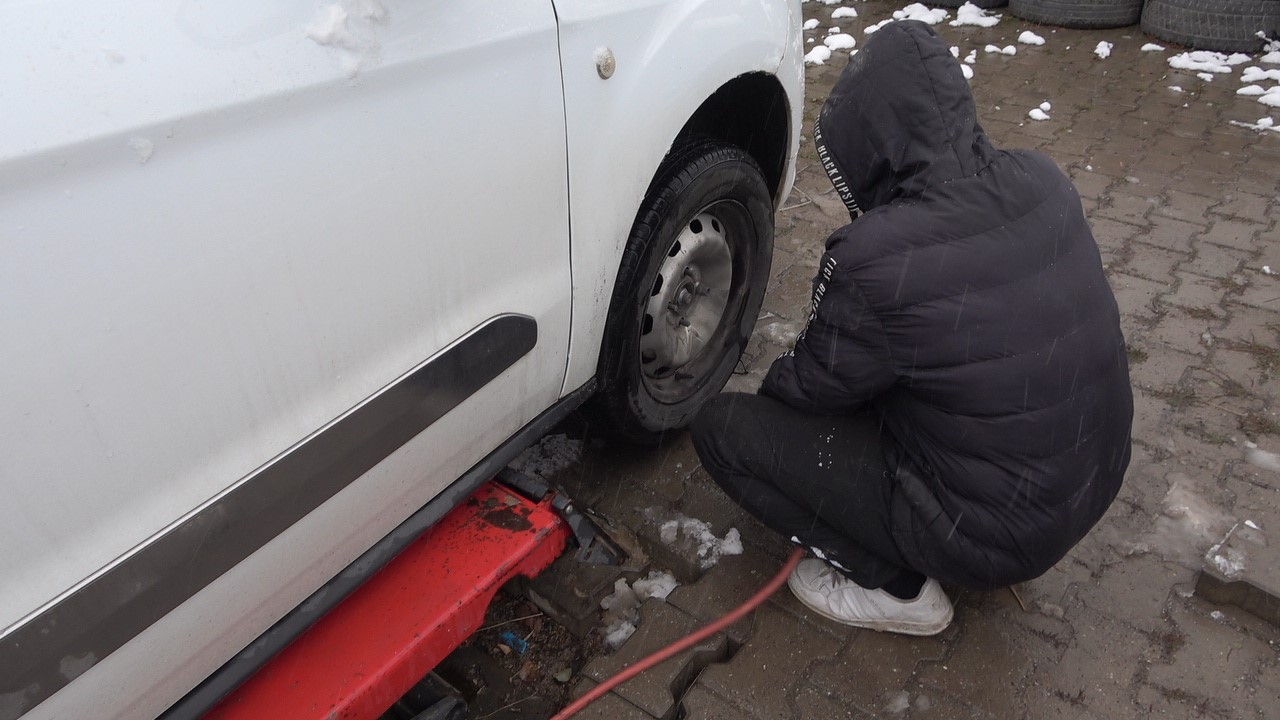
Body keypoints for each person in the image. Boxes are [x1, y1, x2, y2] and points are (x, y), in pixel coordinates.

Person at [690, 20, 1134, 636]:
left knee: (725, 432)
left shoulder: (877, 255)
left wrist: (785, 438)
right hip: (1093, 481)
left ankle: (898, 590)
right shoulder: (1043, 179)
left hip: (996, 534)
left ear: (867, 142)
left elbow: (809, 392)